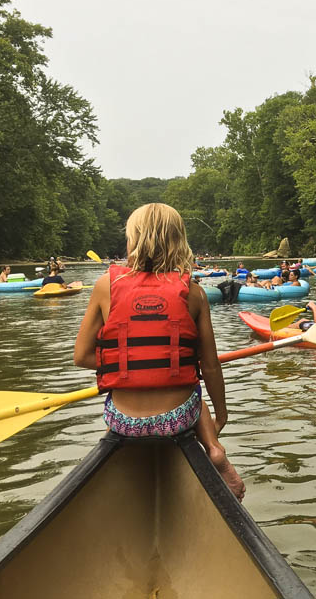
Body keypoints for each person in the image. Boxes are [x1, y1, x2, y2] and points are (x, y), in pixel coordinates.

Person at [72, 203, 245, 500]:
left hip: (123, 421)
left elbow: (81, 356)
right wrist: (222, 414)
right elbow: (210, 366)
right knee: (196, 393)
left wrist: (124, 367)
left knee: (129, 395)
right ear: (180, 242)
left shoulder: (105, 286)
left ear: (132, 240)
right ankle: (214, 449)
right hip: (178, 418)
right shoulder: (194, 292)